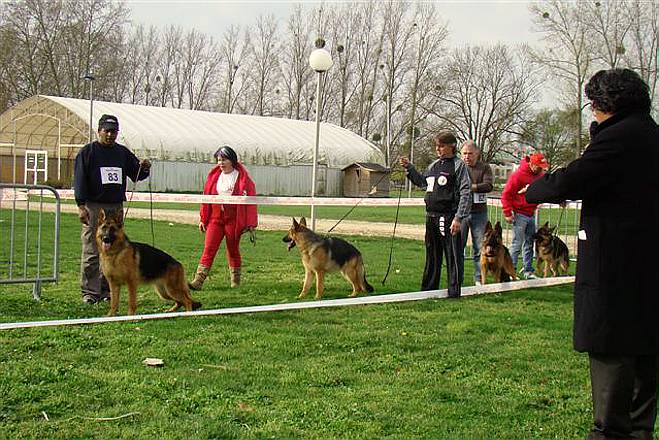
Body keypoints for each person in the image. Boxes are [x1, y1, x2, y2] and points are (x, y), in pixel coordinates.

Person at [526, 68, 659, 439]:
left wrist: (536, 188)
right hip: (648, 279)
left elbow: (570, 179)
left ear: (604, 105)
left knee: (612, 405)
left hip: (616, 279)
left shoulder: (619, 138)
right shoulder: (651, 135)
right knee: (641, 405)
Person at [73, 114, 151, 304]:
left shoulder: (122, 153)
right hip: (94, 207)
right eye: (106, 131)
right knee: (92, 249)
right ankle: (90, 292)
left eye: (113, 131)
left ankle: (107, 290)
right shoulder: (88, 152)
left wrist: (145, 167)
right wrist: (81, 206)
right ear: (99, 131)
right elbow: (79, 181)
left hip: (115, 207)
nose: (110, 134)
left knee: (114, 250)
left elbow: (137, 174)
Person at [400, 131, 471, 298]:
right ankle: (429, 290)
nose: (437, 149)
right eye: (436, 146)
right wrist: (409, 168)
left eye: (441, 146)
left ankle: (454, 291)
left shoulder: (458, 166)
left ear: (451, 146)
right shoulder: (434, 166)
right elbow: (423, 182)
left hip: (449, 217)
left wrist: (458, 218)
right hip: (431, 216)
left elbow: (465, 192)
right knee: (432, 255)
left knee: (452, 255)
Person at [189, 145, 257, 290]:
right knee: (209, 248)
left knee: (232, 250)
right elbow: (206, 198)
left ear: (232, 160)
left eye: (224, 160)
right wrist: (203, 219)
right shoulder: (213, 177)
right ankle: (198, 281)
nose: (221, 163)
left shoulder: (244, 179)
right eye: (219, 160)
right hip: (215, 218)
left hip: (233, 220)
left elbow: (251, 203)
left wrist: (251, 223)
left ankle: (235, 282)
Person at [500, 151, 548, 279]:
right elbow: (506, 194)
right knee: (517, 243)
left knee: (529, 243)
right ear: (532, 164)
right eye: (538, 166)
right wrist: (507, 212)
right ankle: (510, 270)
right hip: (519, 214)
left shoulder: (540, 176)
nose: (540, 169)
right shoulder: (518, 175)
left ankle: (528, 270)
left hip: (531, 213)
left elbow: (546, 190)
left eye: (541, 167)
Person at [459, 140, 493, 286]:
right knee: (457, 247)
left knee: (479, 247)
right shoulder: (458, 168)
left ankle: (479, 278)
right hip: (460, 213)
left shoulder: (484, 168)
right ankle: (457, 278)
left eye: (470, 153)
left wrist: (470, 187)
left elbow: (488, 185)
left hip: (479, 213)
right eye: (464, 153)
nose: (467, 157)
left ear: (477, 154)